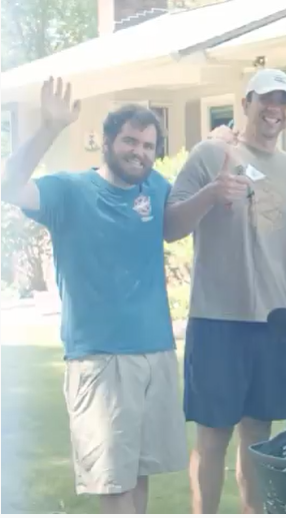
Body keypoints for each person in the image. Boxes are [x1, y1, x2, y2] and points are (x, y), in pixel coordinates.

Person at [0, 77, 186, 513]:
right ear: (106, 141)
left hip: (156, 352)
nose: (138, 151)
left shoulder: (155, 188)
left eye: (147, 144)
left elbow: (184, 215)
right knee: (113, 486)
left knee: (139, 481)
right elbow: (8, 186)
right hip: (99, 361)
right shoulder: (69, 190)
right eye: (129, 141)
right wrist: (49, 127)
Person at [165, 68, 286, 514]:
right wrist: (210, 193)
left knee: (258, 438)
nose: (274, 109)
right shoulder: (211, 154)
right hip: (218, 319)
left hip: (273, 321)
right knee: (212, 438)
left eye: (284, 102)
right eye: (266, 99)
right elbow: (169, 227)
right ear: (245, 103)